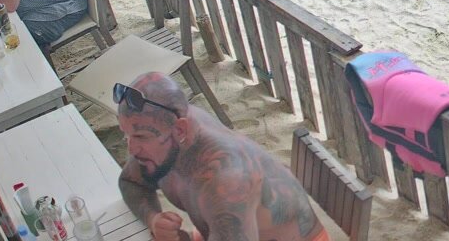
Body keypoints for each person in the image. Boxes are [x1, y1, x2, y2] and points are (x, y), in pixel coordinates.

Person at [117, 73, 327, 241]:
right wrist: (153, 219)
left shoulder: (227, 181)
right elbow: (129, 182)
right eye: (126, 135)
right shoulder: (163, 135)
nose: (132, 149)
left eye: (140, 136)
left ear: (180, 130)